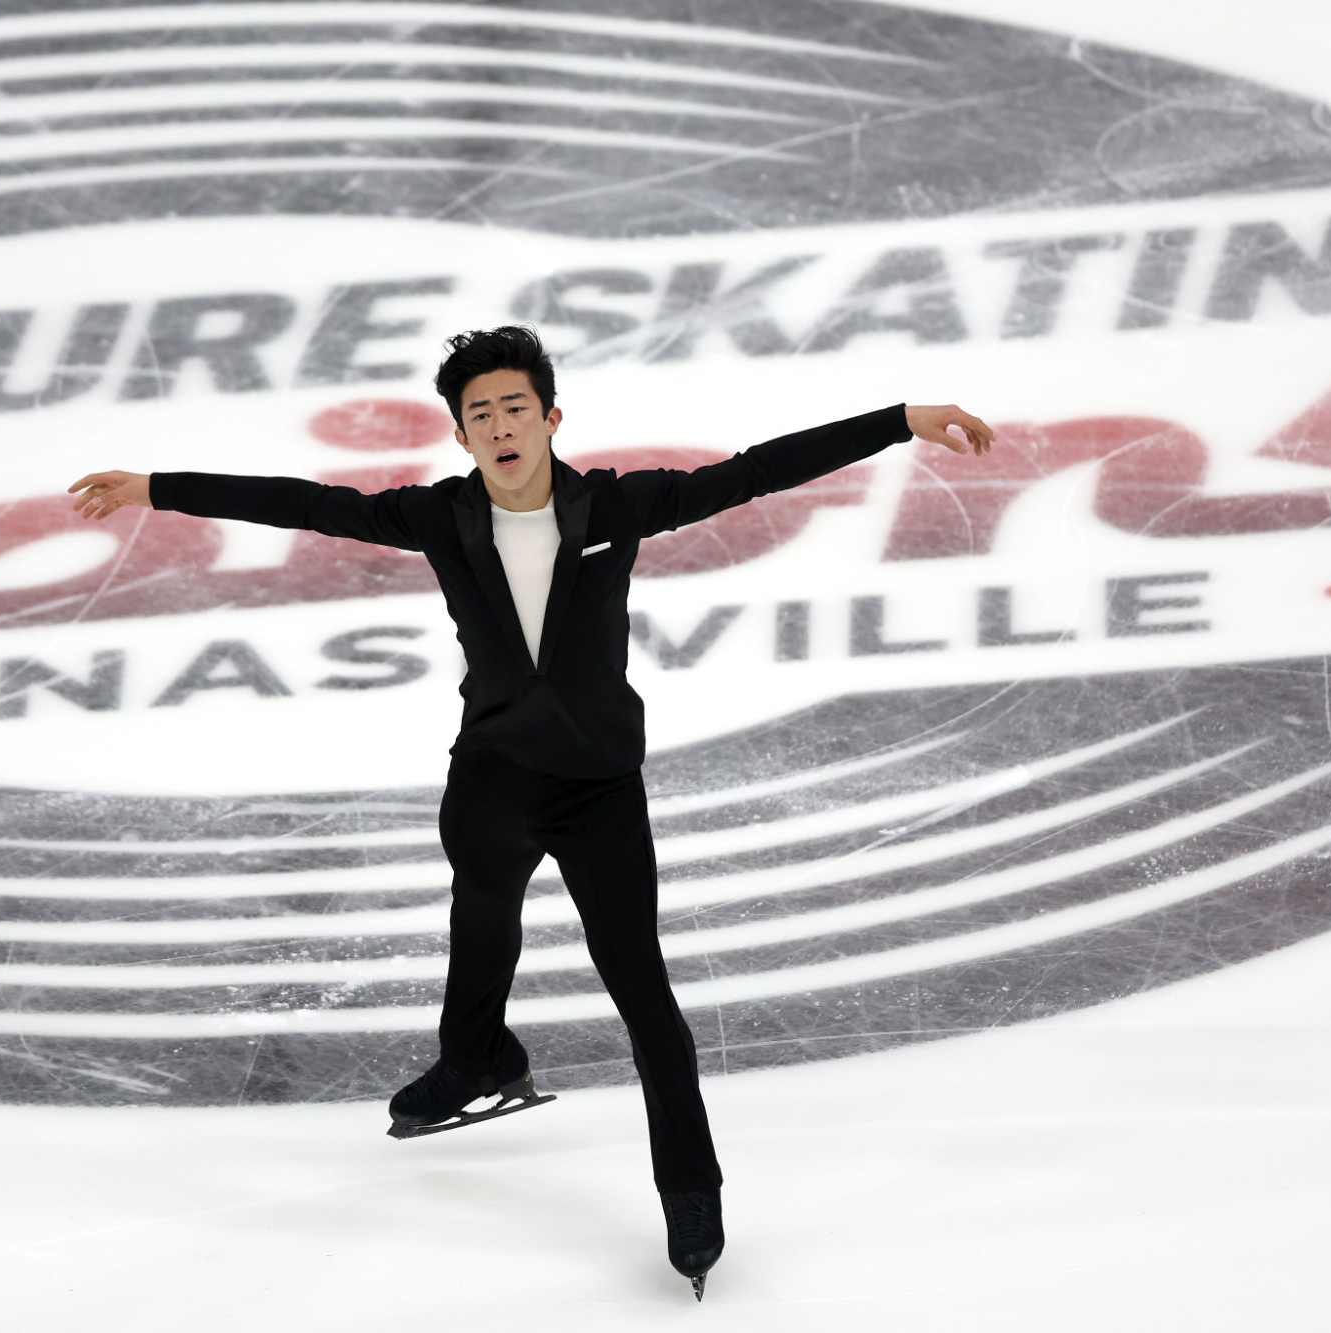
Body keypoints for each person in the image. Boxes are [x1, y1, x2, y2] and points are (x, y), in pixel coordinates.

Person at [68, 326, 995, 1299]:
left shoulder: (618, 505)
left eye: (515, 407)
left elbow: (754, 472)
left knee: (643, 995)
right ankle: (475, 1058)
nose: (500, 425)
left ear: (550, 418)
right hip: (492, 776)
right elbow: (308, 506)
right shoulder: (438, 516)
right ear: (461, 436)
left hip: (597, 788)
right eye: (480, 414)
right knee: (480, 924)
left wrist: (897, 422)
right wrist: (153, 487)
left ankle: (690, 1185)